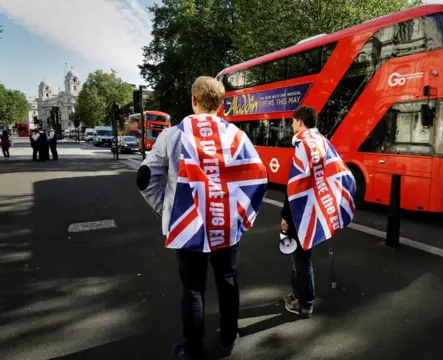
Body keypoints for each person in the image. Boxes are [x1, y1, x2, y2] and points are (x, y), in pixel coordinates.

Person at [136, 76, 268, 360]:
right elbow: (258, 177)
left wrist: (168, 211)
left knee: (193, 289)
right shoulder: (237, 136)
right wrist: (242, 217)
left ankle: (192, 350)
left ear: (193, 101)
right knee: (228, 281)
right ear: (221, 105)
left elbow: (145, 179)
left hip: (189, 226)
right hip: (226, 227)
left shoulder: (173, 135)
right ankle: (229, 339)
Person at [280, 105, 357, 318]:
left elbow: (294, 186)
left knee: (300, 258)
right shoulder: (322, 141)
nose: (292, 126)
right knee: (302, 255)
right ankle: (298, 295)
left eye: (293, 122)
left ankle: (305, 303)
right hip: (315, 209)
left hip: (302, 210)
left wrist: (286, 216)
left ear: (300, 122)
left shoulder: (303, 145)